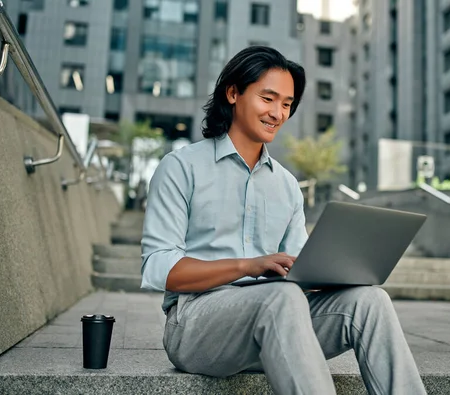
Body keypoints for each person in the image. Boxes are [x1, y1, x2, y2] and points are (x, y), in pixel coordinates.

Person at [141, 46, 427, 395]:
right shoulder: (181, 168)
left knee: (371, 301)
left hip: (277, 326)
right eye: (268, 98)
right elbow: (160, 268)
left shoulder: (287, 186)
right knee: (280, 297)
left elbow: (298, 274)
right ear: (233, 93)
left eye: (287, 104)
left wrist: (336, 272)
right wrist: (250, 265)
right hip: (196, 326)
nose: (278, 113)